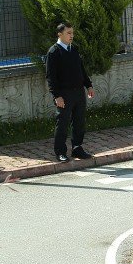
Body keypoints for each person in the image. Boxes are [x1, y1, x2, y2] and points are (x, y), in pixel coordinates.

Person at [46, 23, 95, 162]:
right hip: (64, 94)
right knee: (62, 123)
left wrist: (88, 85)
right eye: (68, 33)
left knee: (79, 122)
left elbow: (81, 69)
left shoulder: (74, 49)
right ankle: (60, 152)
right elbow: (51, 77)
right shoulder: (54, 52)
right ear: (59, 34)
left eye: (72, 33)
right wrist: (57, 96)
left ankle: (77, 148)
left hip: (79, 92)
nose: (71, 35)